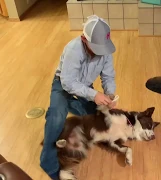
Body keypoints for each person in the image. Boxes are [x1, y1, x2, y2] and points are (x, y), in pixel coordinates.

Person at [40, 15, 117, 180]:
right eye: (96, 48)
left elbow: (108, 76)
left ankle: (67, 104)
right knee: (56, 117)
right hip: (63, 84)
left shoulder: (105, 49)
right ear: (83, 39)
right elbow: (68, 83)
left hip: (85, 86)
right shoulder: (73, 49)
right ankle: (48, 164)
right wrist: (94, 95)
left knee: (95, 116)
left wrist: (109, 94)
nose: (100, 53)